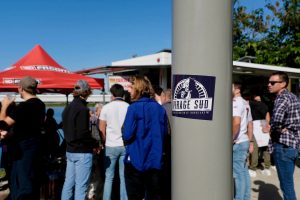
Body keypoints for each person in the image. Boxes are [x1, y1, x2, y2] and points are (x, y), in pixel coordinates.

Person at [123, 76, 168, 200]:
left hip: (136, 160)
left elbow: (127, 134)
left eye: (131, 88)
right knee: (154, 195)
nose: (129, 91)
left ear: (138, 89)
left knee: (135, 196)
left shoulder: (132, 108)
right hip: (155, 160)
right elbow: (164, 134)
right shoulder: (160, 109)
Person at [0, 76, 46, 200]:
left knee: (22, 185)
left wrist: (4, 106)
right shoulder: (40, 105)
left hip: (22, 151)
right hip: (34, 148)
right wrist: (11, 134)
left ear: (20, 88)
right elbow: (26, 128)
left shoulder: (25, 106)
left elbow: (2, 123)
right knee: (31, 183)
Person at [61, 80, 99, 200]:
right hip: (82, 151)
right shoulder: (82, 109)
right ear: (86, 92)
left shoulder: (67, 108)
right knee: (81, 187)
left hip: (70, 150)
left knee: (68, 184)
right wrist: (95, 143)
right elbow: (83, 133)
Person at [265, 71, 300, 200]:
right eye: (268, 82)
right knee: (288, 183)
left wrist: (271, 127)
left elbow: (276, 120)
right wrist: (288, 127)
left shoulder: (282, 98)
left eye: (273, 82)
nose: (269, 84)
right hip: (292, 145)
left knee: (287, 186)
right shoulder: (293, 97)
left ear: (283, 84)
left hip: (283, 146)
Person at [99, 83, 129, 200]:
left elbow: (101, 128)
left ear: (112, 94)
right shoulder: (128, 107)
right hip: (124, 145)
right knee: (123, 177)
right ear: (123, 94)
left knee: (109, 177)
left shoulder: (106, 107)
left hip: (110, 145)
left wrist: (104, 142)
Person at [232, 82, 253, 200]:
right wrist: (250, 141)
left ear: (237, 90)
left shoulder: (236, 102)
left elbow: (236, 123)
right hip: (244, 140)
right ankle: (246, 197)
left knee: (238, 174)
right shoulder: (245, 103)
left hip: (238, 142)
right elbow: (250, 124)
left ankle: (239, 198)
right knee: (244, 172)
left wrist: (230, 140)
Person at [248, 94, 271, 177]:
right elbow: (267, 116)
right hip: (264, 124)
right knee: (266, 147)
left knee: (254, 148)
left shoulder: (250, 103)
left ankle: (253, 169)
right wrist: (267, 125)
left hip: (254, 125)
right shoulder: (264, 105)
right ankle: (267, 168)